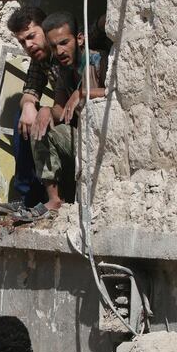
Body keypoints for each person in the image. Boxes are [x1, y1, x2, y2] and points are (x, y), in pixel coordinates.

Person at [16, 11, 108, 220]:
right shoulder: (65, 70)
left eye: (64, 42)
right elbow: (59, 108)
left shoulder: (98, 59)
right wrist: (46, 111)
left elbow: (115, 91)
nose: (60, 50)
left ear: (79, 38)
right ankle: (54, 199)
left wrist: (83, 92)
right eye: (54, 46)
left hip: (104, 142)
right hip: (80, 137)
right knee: (40, 130)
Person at [0, 6, 61, 214]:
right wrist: (29, 105)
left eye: (31, 36)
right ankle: (26, 198)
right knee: (21, 117)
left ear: (46, 28)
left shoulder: (64, 49)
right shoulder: (40, 59)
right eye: (22, 41)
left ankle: (48, 198)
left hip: (78, 120)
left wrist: (47, 110)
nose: (28, 45)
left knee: (39, 117)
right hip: (61, 115)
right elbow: (30, 90)